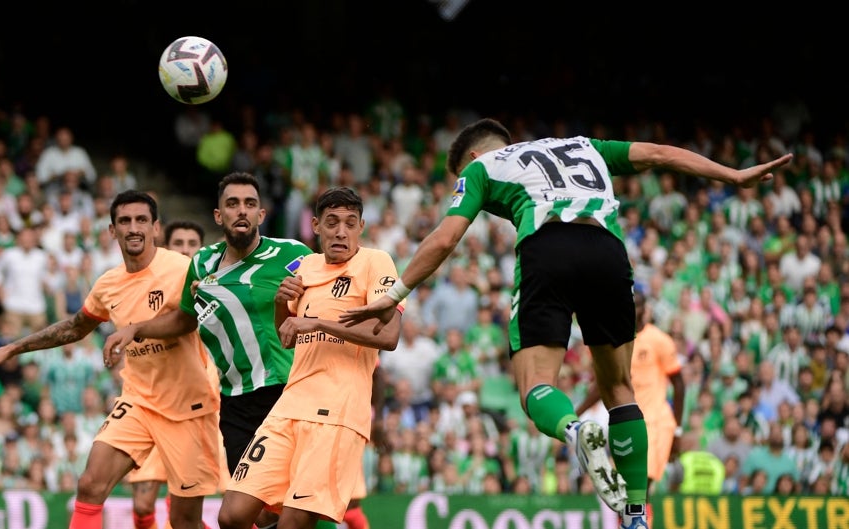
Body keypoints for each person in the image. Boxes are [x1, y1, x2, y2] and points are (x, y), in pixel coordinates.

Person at [339, 117, 793, 529]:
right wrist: (733, 175)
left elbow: (445, 239)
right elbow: (660, 153)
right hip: (608, 252)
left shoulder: (482, 168)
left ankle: (576, 430)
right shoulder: (586, 145)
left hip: (547, 246)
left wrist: (394, 295)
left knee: (535, 384)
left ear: (473, 158)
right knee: (619, 389)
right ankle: (637, 514)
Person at [0, 190, 221, 529]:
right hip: (139, 401)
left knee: (183, 521)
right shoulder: (109, 284)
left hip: (189, 407)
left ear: (154, 228)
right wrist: (12, 348)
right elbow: (75, 327)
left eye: (141, 220)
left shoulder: (181, 268)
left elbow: (188, 320)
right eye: (124, 221)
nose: (133, 228)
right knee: (90, 484)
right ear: (111, 231)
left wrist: (135, 330)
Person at [101, 172, 313, 529]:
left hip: (286, 393)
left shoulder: (292, 254)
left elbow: (325, 297)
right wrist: (136, 329)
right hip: (234, 401)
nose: (241, 211)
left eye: (249, 204)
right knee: (250, 515)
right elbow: (184, 319)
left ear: (261, 214)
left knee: (289, 504)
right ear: (218, 216)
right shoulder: (202, 264)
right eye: (232, 204)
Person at [215, 186, 403, 529]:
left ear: (361, 227)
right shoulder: (306, 266)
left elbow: (388, 336)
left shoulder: (376, 262)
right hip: (288, 407)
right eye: (332, 222)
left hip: (337, 414)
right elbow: (287, 336)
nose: (341, 231)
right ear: (316, 226)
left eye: (350, 223)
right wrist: (278, 306)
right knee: (232, 515)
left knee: (293, 523)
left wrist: (319, 322)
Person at [127, 217, 212, 529]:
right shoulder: (146, 287)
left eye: (193, 245)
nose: (186, 251)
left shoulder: (217, 290)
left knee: (190, 512)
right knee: (141, 505)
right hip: (153, 407)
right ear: (165, 248)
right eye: (179, 244)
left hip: (201, 410)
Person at [576, 291, 685, 528]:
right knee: (622, 489)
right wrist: (578, 411)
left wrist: (677, 430)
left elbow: (679, 384)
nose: (634, 311)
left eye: (638, 306)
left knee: (640, 486)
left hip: (655, 422)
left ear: (646, 309)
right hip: (626, 421)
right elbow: (606, 382)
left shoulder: (659, 340)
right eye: (630, 306)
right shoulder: (619, 341)